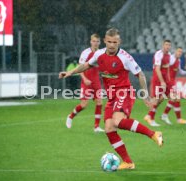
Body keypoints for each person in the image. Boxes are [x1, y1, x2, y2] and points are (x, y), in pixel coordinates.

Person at [59, 28, 163, 170]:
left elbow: (141, 75)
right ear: (105, 41)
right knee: (109, 128)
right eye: (109, 42)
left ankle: (153, 134)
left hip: (125, 92)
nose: (112, 45)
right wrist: (70, 72)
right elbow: (86, 65)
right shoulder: (99, 54)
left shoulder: (125, 57)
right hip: (112, 96)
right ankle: (128, 162)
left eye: (115, 42)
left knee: (117, 121)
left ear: (119, 41)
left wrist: (145, 95)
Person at [66, 34, 104, 133]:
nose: (95, 43)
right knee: (84, 105)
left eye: (97, 41)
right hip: (86, 82)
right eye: (94, 41)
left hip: (96, 82)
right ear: (90, 42)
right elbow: (80, 67)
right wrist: (85, 79)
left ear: (100, 42)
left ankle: (96, 127)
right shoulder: (85, 53)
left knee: (99, 102)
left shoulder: (101, 53)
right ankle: (70, 116)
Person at [161, 47, 186, 125]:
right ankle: (165, 115)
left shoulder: (178, 60)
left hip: (173, 81)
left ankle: (178, 119)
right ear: (175, 51)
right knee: (174, 97)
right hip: (168, 81)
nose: (180, 53)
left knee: (176, 98)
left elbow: (180, 71)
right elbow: (164, 67)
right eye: (178, 51)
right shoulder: (171, 59)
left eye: (181, 52)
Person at [144, 40, 172, 126]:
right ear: (163, 45)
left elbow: (167, 68)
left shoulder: (169, 55)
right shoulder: (158, 54)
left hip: (165, 80)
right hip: (157, 79)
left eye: (169, 45)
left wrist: (168, 79)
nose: (167, 46)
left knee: (168, 97)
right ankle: (151, 119)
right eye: (166, 44)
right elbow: (157, 69)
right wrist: (162, 81)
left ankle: (150, 115)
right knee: (156, 99)